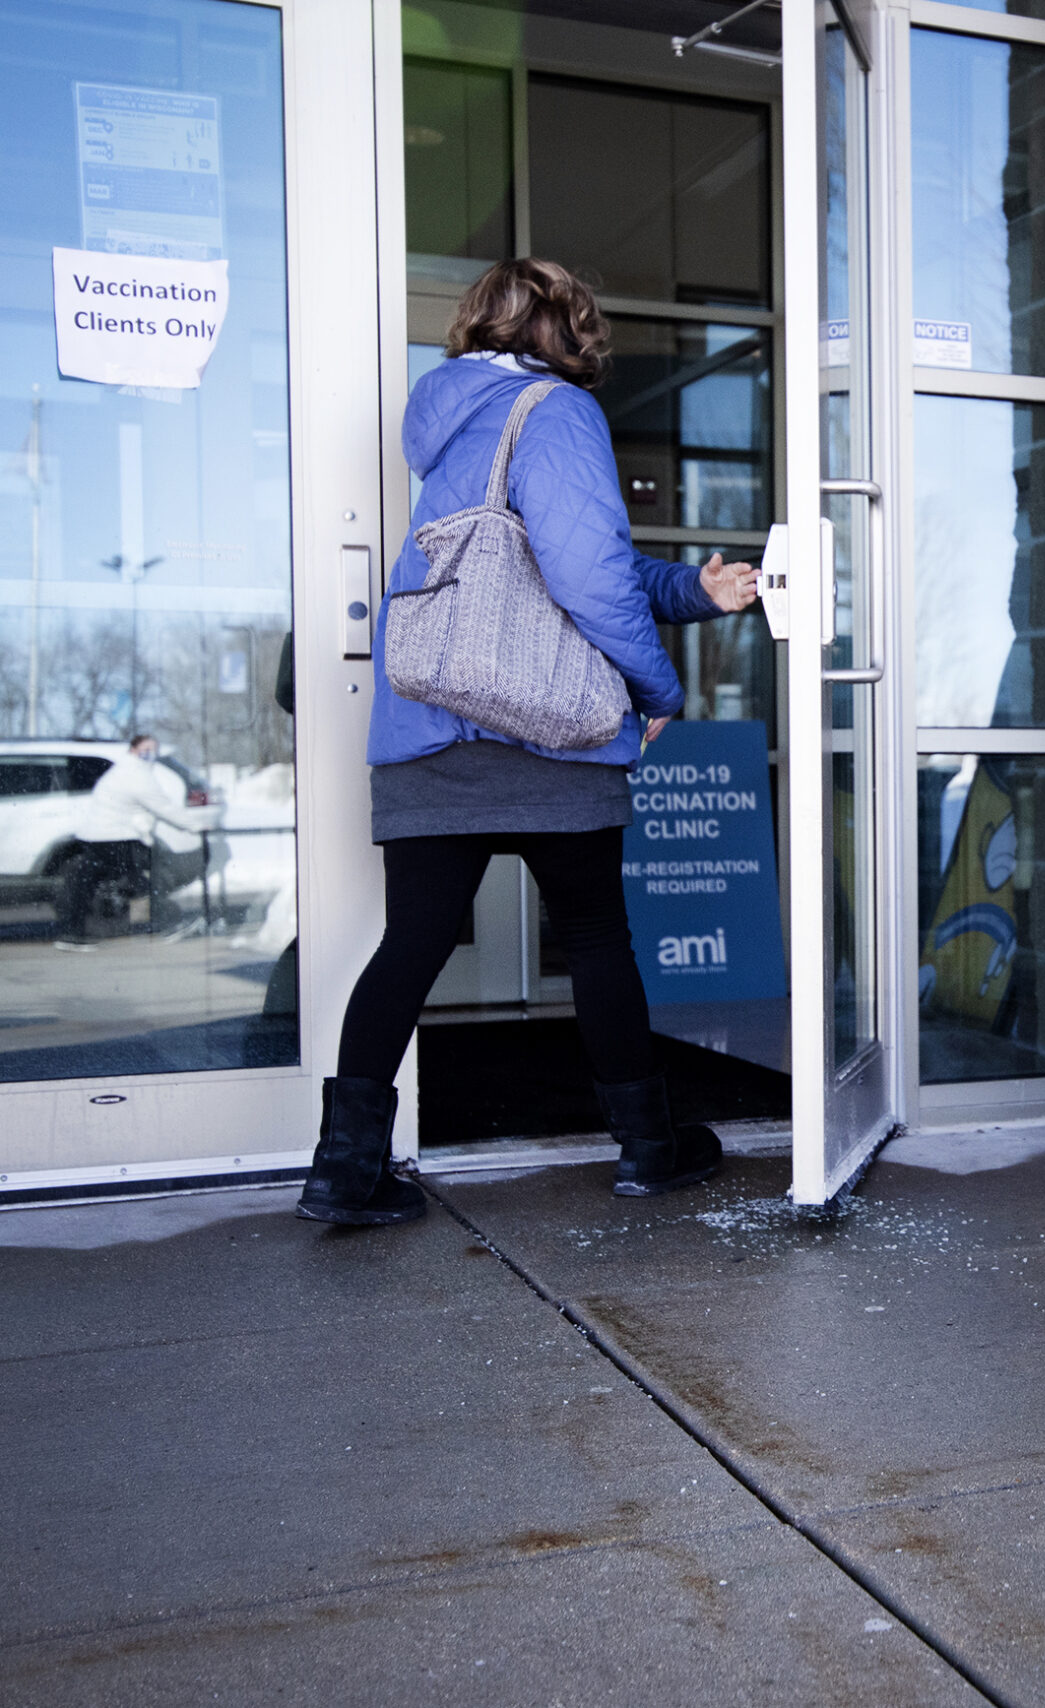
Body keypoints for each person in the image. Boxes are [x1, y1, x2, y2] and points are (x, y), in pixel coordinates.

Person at [297, 258, 760, 1227]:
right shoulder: (557, 414)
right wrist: (659, 685)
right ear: (565, 328)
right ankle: (647, 1149)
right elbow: (585, 576)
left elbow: (564, 558)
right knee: (595, 937)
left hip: (431, 723)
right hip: (549, 731)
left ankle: (342, 1175)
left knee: (409, 945)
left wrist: (692, 590)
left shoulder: (449, 425)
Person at [54, 733, 204, 952]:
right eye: (146, 748)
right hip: (115, 837)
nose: (150, 753)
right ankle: (169, 923)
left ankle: (71, 933)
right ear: (133, 749)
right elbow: (162, 807)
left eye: (154, 748)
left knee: (86, 882)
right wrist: (194, 825)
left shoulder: (123, 770)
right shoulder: (135, 774)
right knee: (139, 882)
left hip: (99, 836)